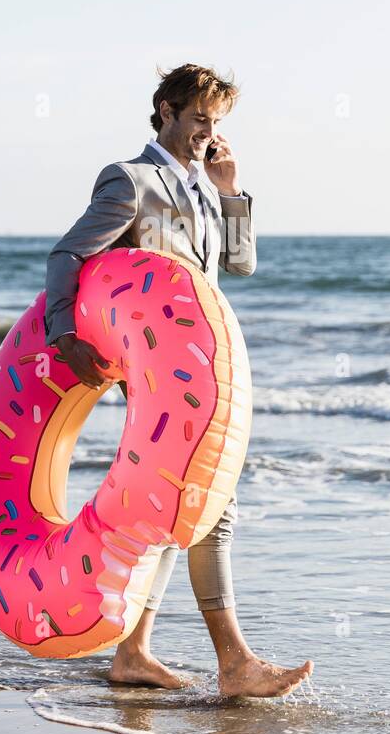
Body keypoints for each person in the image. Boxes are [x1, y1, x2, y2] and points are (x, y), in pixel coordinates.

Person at [44, 63, 314, 698]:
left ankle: (134, 653)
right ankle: (234, 663)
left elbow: (241, 266)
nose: (207, 133)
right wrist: (63, 333)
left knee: (177, 505)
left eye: (215, 123)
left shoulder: (204, 187)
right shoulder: (132, 181)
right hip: (159, 369)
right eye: (199, 120)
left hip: (203, 363)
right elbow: (69, 253)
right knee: (209, 506)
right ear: (165, 110)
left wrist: (229, 190)